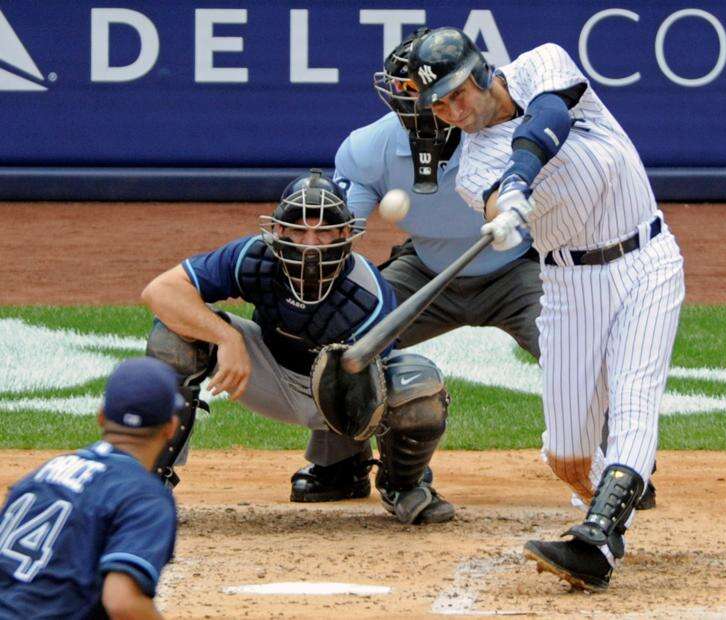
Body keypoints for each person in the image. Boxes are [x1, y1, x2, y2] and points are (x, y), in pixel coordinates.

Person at [407, 28, 684, 590]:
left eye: (458, 93)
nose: (452, 110)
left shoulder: (541, 65)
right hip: (569, 285)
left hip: (646, 258)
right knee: (566, 454)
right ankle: (616, 492)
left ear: (482, 73)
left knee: (633, 395)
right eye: (438, 104)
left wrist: (517, 182)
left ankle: (599, 536)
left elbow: (548, 118)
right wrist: (501, 210)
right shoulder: (471, 166)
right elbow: (489, 201)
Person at [290, 27, 544, 505]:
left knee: (575, 341)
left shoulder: (513, 133)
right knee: (352, 339)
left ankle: (616, 465)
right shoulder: (370, 147)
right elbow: (345, 226)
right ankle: (339, 464)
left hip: (517, 269)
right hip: (426, 268)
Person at [141, 169, 454, 524]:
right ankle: (149, 483)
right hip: (266, 374)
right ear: (278, 231)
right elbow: (160, 291)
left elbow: (365, 395)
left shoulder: (368, 294)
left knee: (417, 383)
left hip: (345, 399)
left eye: (322, 233)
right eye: (299, 230)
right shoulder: (252, 258)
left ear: (344, 234)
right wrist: (226, 337)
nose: (309, 243)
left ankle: (399, 483)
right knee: (174, 335)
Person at [0, 357, 181, 619]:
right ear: (171, 428)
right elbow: (123, 602)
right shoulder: (145, 497)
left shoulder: (43, 474)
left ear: (101, 416)